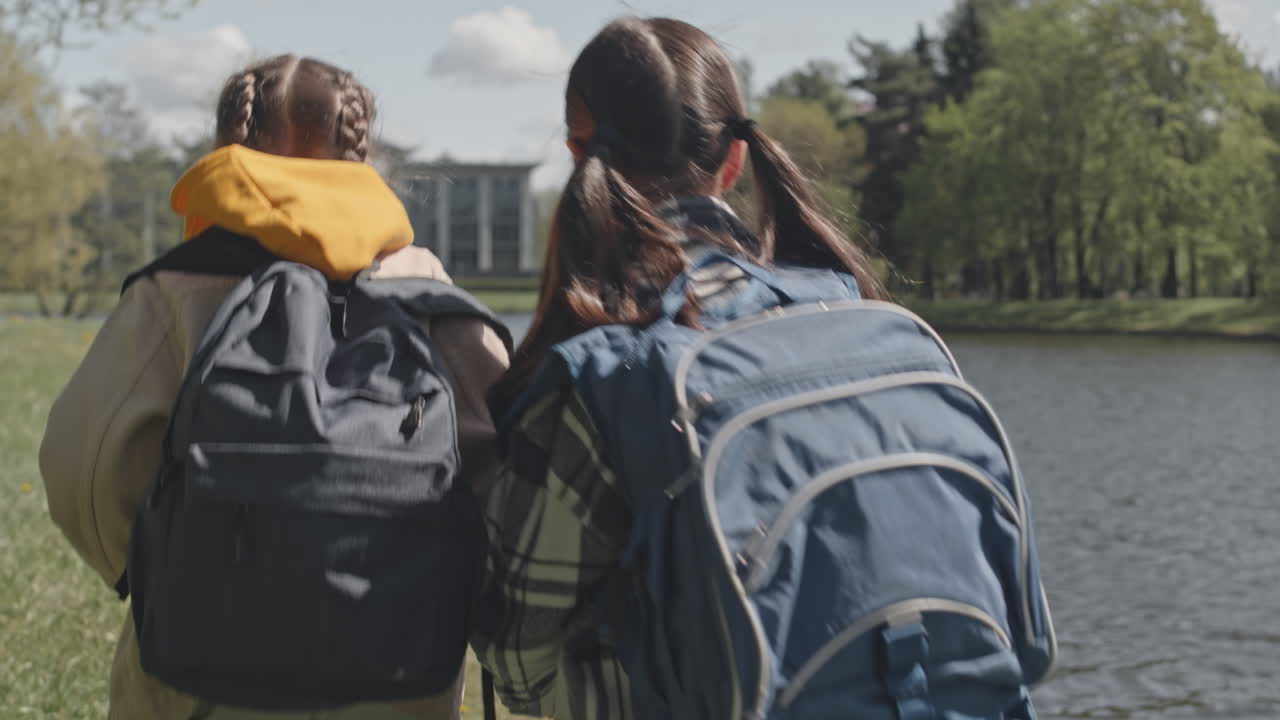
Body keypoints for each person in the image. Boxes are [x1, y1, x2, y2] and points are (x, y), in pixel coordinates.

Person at [473, 16, 1057, 720]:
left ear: (578, 154)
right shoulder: (878, 328)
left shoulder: (600, 380)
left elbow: (518, 659)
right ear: (734, 162)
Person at [40, 54, 509, 720]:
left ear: (225, 148)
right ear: (359, 150)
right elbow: (504, 464)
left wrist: (167, 556)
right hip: (402, 663)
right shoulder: (424, 284)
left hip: (197, 666)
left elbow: (80, 475)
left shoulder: (174, 287)